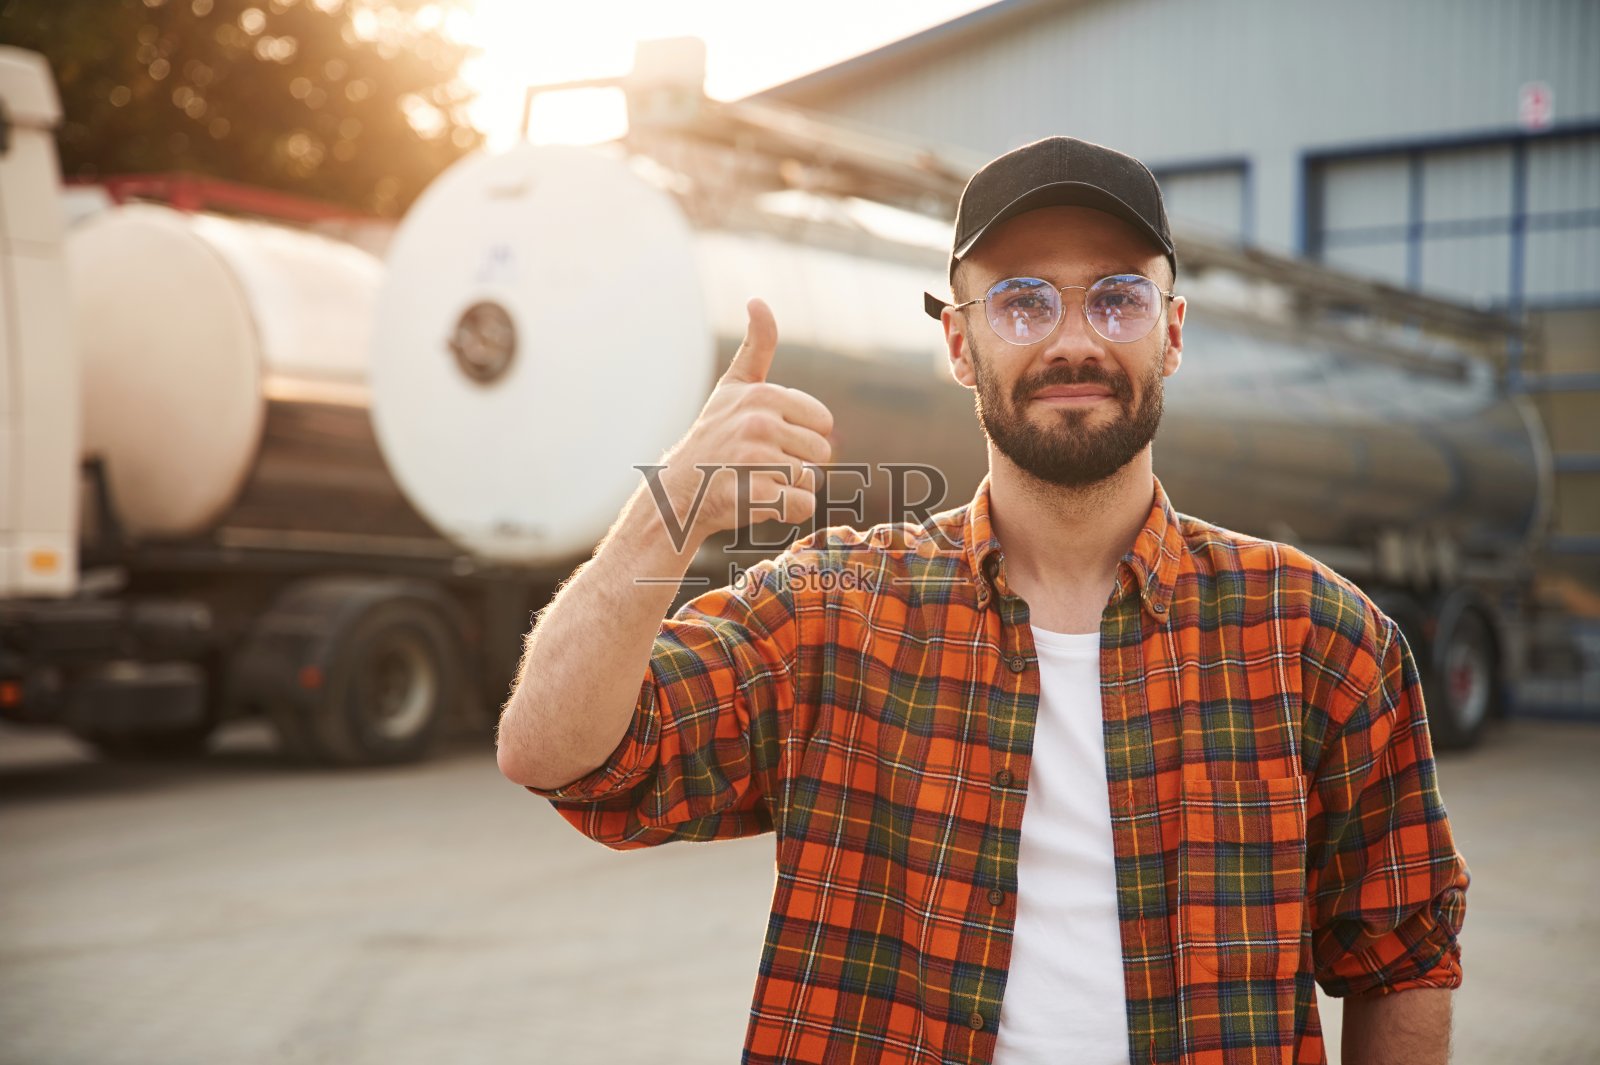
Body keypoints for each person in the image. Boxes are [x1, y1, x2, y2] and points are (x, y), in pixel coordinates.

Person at [496, 136, 1470, 1065]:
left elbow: (1401, 956)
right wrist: (667, 514)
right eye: (1020, 302)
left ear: (1171, 335)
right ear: (957, 345)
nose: (1073, 341)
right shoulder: (832, 614)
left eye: (1119, 299)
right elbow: (561, 756)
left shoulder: (1317, 637)